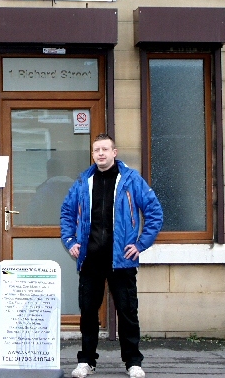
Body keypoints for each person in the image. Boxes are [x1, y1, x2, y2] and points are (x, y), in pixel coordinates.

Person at [60, 133, 163, 378]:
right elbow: (66, 212)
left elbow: (154, 211)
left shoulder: (130, 179)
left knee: (127, 312)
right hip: (91, 259)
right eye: (97, 150)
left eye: (105, 149)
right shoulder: (84, 181)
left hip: (122, 260)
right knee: (87, 313)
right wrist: (71, 240)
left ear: (114, 152)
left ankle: (133, 362)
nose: (101, 154)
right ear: (93, 154)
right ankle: (86, 361)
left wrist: (140, 244)